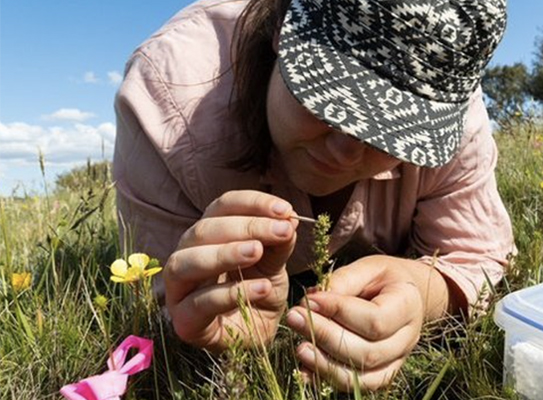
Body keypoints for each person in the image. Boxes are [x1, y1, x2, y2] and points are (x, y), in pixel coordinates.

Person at [113, 0, 514, 392]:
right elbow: (163, 287)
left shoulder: (447, 103)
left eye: (393, 133)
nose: (345, 152)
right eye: (332, 100)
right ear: (280, 25)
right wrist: (203, 312)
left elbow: (477, 254)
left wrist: (422, 291)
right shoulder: (167, 93)